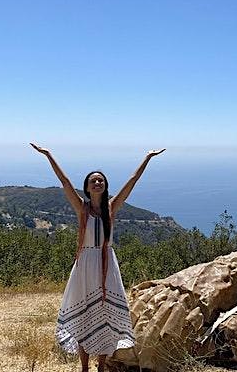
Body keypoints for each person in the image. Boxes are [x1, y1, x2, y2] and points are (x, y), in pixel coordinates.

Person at [30, 143, 165, 372]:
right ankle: (84, 367)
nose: (97, 183)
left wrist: (148, 158)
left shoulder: (111, 208)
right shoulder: (82, 209)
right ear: (87, 187)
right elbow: (64, 182)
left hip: (107, 265)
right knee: (84, 315)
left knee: (106, 316)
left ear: (105, 186)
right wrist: (49, 155)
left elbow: (131, 181)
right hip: (85, 264)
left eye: (101, 180)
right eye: (93, 180)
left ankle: (101, 366)